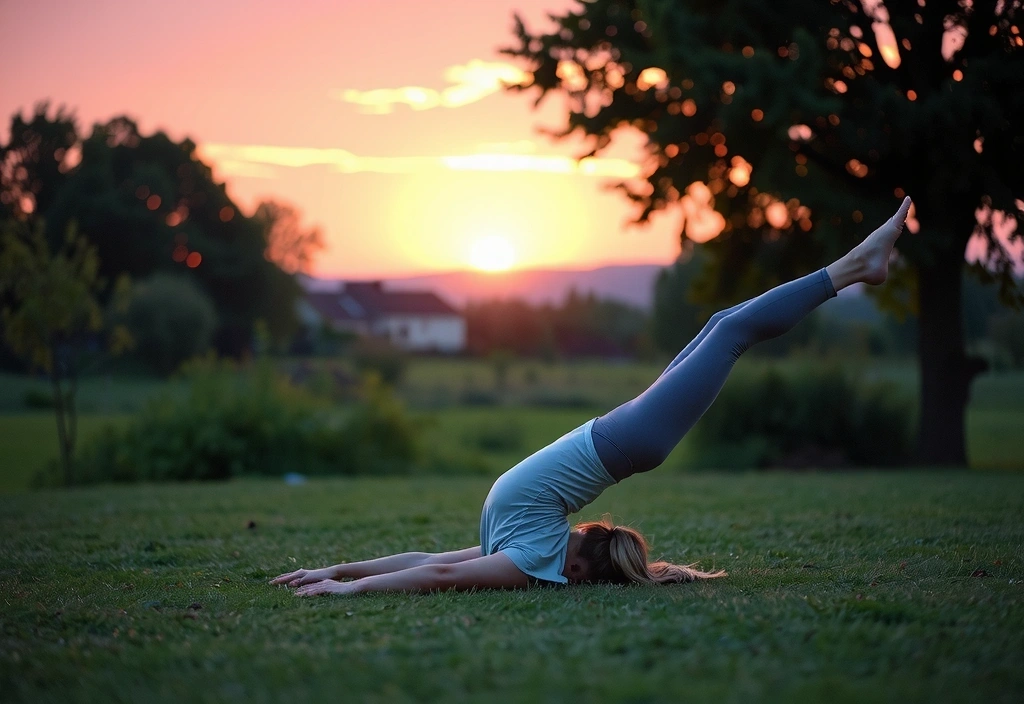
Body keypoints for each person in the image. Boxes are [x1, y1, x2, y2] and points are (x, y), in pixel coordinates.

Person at [271, 196, 913, 597]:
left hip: (621, 434)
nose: (587, 528)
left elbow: (433, 567)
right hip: (625, 437)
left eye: (588, 537)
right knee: (729, 330)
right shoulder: (534, 551)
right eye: (592, 535)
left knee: (726, 325)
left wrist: (340, 578)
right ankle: (854, 267)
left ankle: (854, 268)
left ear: (574, 571)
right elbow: (435, 568)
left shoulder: (524, 557)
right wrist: (344, 580)